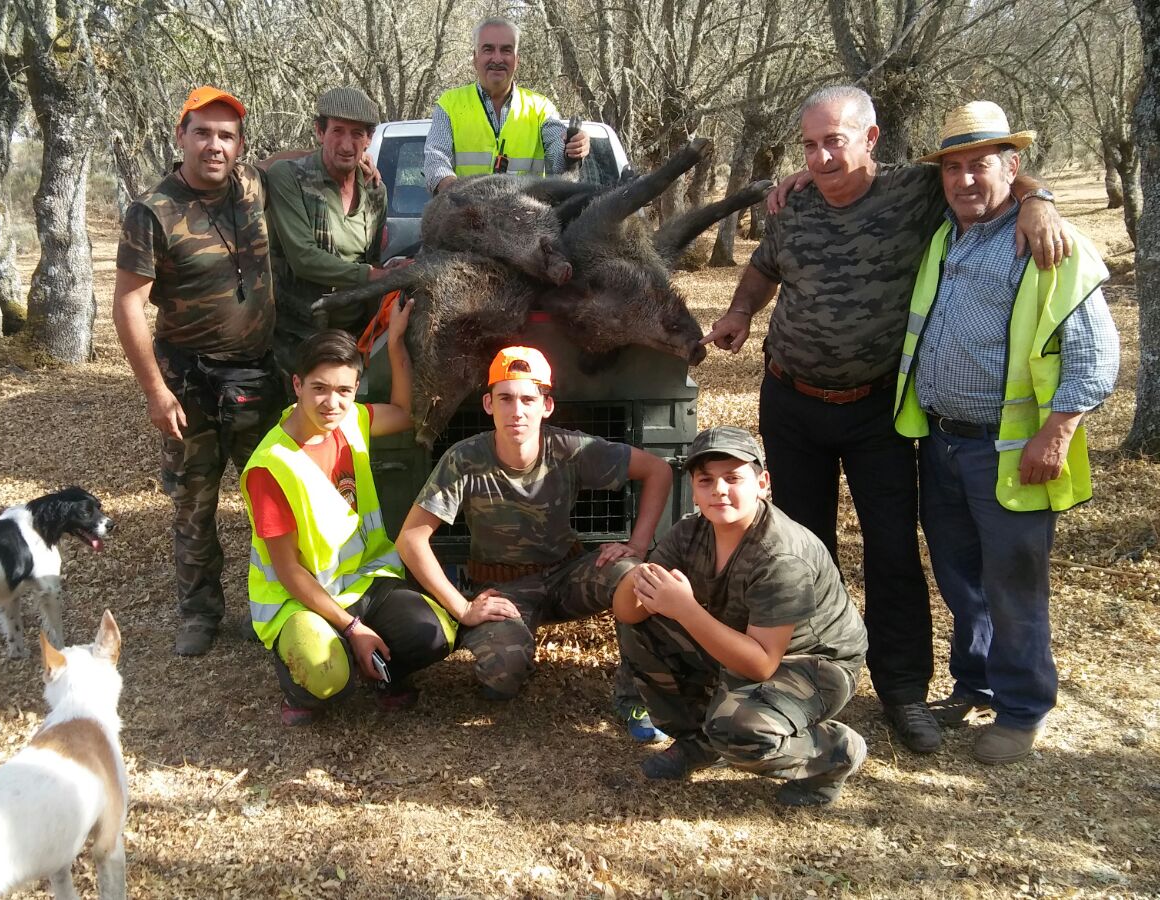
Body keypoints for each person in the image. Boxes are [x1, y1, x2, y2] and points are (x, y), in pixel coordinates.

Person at [699, 85, 1070, 754]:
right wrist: (740, 313)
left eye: (833, 141)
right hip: (791, 401)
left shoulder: (918, 192)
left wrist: (1037, 200)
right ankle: (798, 684)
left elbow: (990, 168)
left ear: (871, 140)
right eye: (808, 145)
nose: (819, 157)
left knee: (893, 550)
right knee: (798, 551)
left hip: (878, 409)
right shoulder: (795, 205)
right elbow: (761, 268)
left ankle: (902, 692)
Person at [893, 101, 1119, 764]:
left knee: (1013, 582)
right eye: (953, 167)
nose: (964, 180)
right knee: (961, 577)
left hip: (1010, 447)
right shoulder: (945, 236)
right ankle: (975, 682)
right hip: (940, 442)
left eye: (981, 165)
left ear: (1011, 167)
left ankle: (1022, 711)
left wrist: (1058, 431)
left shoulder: (1046, 242)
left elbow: (1093, 352)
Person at [395, 346, 675, 740]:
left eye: (528, 399)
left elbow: (658, 471)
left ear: (547, 405)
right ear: (489, 404)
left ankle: (636, 698)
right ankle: (514, 644)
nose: (517, 411)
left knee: (639, 579)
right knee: (501, 677)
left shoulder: (569, 448)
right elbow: (411, 538)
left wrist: (639, 544)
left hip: (568, 574)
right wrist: (462, 607)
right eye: (506, 398)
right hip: (505, 587)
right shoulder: (465, 459)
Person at [614, 427, 869, 806]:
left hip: (812, 662)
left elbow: (762, 664)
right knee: (642, 626)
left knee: (738, 729)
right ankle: (698, 743)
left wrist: (684, 608)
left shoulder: (781, 556)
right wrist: (638, 574)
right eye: (706, 480)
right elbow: (625, 610)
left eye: (733, 478)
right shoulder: (689, 533)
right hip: (742, 642)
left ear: (762, 483)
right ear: (695, 489)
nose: (719, 489)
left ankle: (833, 753)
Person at [113, 86, 280, 657]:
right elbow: (128, 304)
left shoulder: (252, 186)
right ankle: (200, 614)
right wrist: (155, 393)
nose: (215, 145)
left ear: (239, 145)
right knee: (194, 503)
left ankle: (275, 607)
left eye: (227, 135)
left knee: (274, 500)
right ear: (180, 135)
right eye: (203, 132)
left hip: (257, 378)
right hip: (189, 383)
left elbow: (290, 164)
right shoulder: (152, 211)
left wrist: (358, 162)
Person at [241, 316, 456, 725]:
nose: (332, 403)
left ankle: (378, 668)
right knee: (328, 678)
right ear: (297, 385)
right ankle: (301, 685)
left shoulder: (352, 420)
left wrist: (395, 346)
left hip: (362, 580)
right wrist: (353, 627)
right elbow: (287, 572)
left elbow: (403, 413)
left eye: (343, 390)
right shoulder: (270, 467)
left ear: (356, 388)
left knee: (435, 634)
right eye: (319, 388)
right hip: (296, 599)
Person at [265, 87, 412, 369]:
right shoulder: (288, 178)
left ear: (369, 139)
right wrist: (376, 276)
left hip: (352, 339)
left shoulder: (374, 190)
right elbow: (303, 259)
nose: (347, 144)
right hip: (299, 336)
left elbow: (371, 257)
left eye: (357, 133)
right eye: (337, 131)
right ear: (320, 132)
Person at [422, 16, 588, 194]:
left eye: (506, 50)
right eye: (488, 49)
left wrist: (573, 148)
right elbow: (435, 160)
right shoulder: (449, 104)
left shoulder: (541, 108)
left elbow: (559, 160)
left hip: (526, 218)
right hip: (465, 217)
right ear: (475, 58)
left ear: (517, 60)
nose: (497, 58)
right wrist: (459, 193)